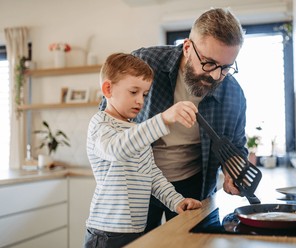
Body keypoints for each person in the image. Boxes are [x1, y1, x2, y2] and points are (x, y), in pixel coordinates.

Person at [99, 8, 247, 232]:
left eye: (226, 68)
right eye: (208, 63)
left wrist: (233, 171)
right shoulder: (144, 63)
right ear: (188, 47)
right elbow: (106, 119)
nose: (216, 76)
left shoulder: (233, 95)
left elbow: (235, 148)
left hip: (192, 184)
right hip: (135, 182)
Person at [84, 53, 202, 248]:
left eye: (145, 94)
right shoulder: (100, 125)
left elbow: (151, 173)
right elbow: (116, 149)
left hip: (136, 231)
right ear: (108, 89)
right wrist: (163, 119)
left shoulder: (136, 130)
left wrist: (176, 201)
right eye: (133, 92)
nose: (140, 101)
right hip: (107, 233)